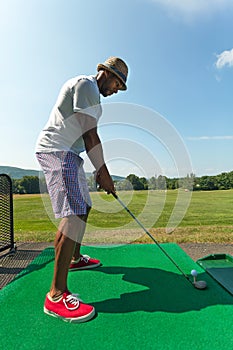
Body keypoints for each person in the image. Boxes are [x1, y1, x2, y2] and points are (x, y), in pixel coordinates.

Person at [35, 56, 128, 323]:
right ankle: (56, 294)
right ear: (108, 75)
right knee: (73, 213)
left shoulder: (94, 97)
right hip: (57, 150)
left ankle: (74, 258)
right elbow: (90, 136)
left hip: (70, 153)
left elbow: (89, 135)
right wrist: (103, 172)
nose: (115, 92)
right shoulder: (87, 85)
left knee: (83, 207)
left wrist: (100, 170)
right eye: (117, 85)